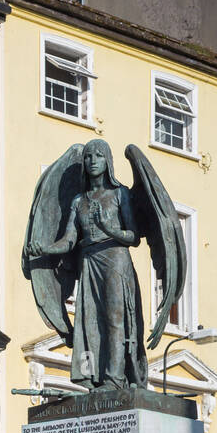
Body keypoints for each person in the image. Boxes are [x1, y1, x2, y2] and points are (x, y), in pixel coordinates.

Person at [28, 139, 146, 389]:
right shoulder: (78, 200)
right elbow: (69, 240)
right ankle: (92, 376)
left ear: (108, 162)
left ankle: (115, 379)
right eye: (89, 156)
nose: (93, 161)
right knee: (88, 321)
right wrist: (44, 248)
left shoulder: (119, 193)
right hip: (89, 262)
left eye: (99, 156)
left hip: (115, 259)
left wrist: (109, 229)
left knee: (115, 319)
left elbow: (134, 237)